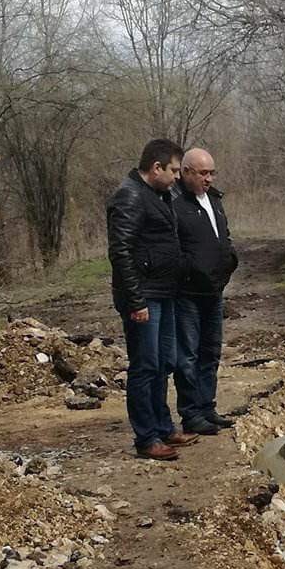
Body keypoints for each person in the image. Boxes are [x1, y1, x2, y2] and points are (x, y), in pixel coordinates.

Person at [105, 139, 194, 461]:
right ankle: (147, 438)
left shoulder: (159, 194)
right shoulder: (129, 197)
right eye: (173, 170)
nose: (176, 177)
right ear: (156, 168)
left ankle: (163, 426)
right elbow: (121, 252)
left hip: (165, 292)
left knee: (163, 364)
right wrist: (135, 300)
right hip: (145, 297)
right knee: (145, 366)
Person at [172, 146, 239, 434]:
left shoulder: (214, 199)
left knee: (210, 351)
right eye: (202, 173)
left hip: (214, 290)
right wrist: (190, 270)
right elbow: (173, 248)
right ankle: (190, 413)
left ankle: (207, 407)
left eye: (211, 173)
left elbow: (223, 236)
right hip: (187, 293)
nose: (208, 178)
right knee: (187, 355)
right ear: (186, 172)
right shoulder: (174, 203)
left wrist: (229, 260)